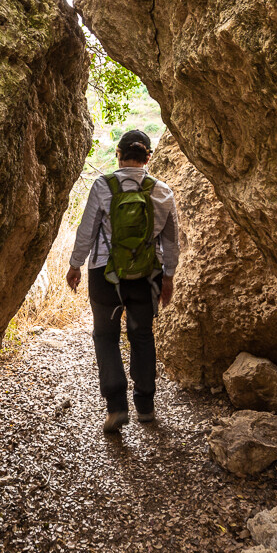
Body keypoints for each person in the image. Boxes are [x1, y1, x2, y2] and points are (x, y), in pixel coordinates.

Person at [66, 129, 180, 433]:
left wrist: (75, 265)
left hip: (105, 274)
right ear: (149, 157)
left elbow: (86, 230)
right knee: (142, 335)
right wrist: (168, 276)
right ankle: (146, 407)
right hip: (146, 276)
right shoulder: (162, 191)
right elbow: (171, 241)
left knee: (106, 336)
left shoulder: (103, 186)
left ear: (118, 154)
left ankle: (116, 408)